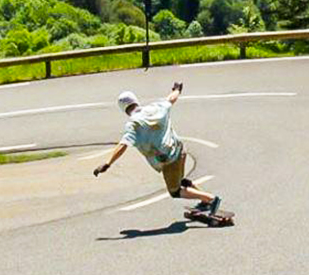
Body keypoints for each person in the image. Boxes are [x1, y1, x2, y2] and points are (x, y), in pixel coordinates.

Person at [93, 82, 222, 216]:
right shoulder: (155, 107)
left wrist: (108, 163)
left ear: (124, 109)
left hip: (169, 160)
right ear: (136, 101)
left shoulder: (134, 125)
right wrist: (177, 89)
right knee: (180, 180)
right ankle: (205, 201)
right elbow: (171, 99)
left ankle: (211, 199)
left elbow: (123, 145)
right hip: (180, 150)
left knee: (175, 191)